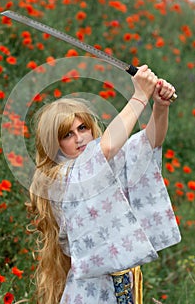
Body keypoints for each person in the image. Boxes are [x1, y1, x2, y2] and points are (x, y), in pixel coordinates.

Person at [26, 64, 181, 304]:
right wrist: (140, 96)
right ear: (55, 145)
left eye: (82, 128)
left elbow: (148, 143)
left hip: (122, 286)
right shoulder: (62, 176)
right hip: (89, 293)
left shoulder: (100, 167)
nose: (79, 138)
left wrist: (160, 107)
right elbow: (106, 147)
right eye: (67, 135)